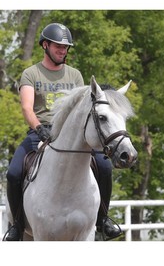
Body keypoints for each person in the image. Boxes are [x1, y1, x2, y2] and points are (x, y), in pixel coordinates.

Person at [5, 23, 122, 241]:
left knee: (105, 166)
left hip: (70, 134)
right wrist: (38, 128)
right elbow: (26, 108)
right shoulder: (31, 74)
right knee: (13, 173)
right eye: (58, 46)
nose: (63, 50)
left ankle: (102, 220)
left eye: (66, 47)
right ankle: (17, 226)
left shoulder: (75, 75)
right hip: (39, 132)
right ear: (45, 45)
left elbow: (82, 110)